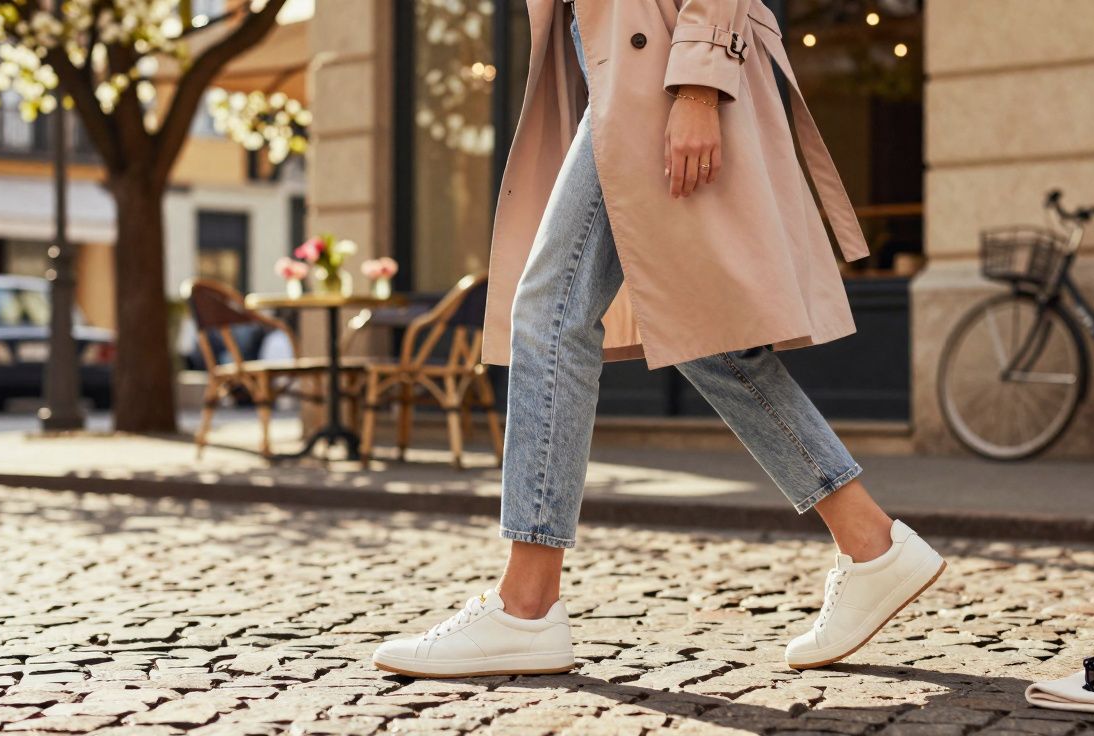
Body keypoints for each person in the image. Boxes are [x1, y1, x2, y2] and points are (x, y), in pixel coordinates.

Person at [373, 0, 945, 678]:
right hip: (622, 67)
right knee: (704, 333)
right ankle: (870, 540)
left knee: (551, 311)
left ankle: (526, 606)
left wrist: (700, 83)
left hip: (660, 65)